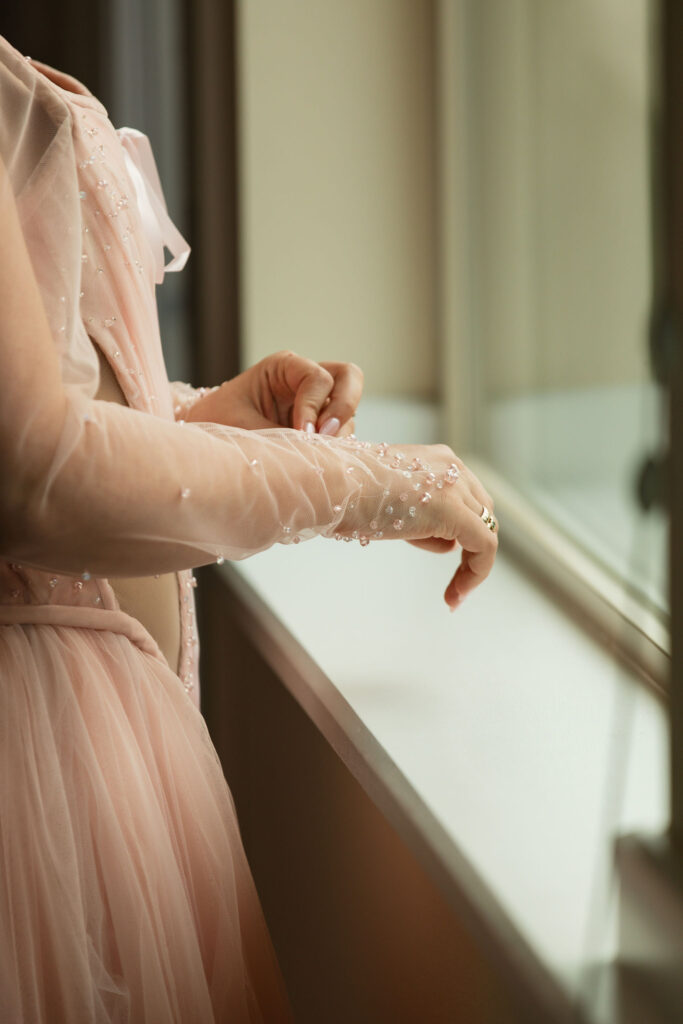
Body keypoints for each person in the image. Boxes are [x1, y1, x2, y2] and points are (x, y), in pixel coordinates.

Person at [0, 34, 498, 1024]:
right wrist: (370, 483)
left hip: (95, 755)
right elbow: (36, 477)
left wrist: (200, 413)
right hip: (35, 785)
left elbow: (38, 420)